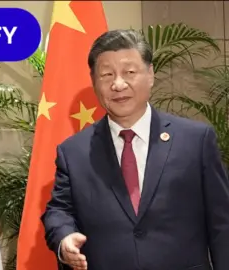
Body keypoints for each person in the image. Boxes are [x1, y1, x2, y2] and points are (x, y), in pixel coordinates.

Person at [41, 29, 229, 270]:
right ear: (94, 82)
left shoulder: (195, 140)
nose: (118, 84)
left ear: (150, 74)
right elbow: (59, 210)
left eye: (130, 72)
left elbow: (222, 223)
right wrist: (64, 237)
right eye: (107, 74)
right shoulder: (74, 151)